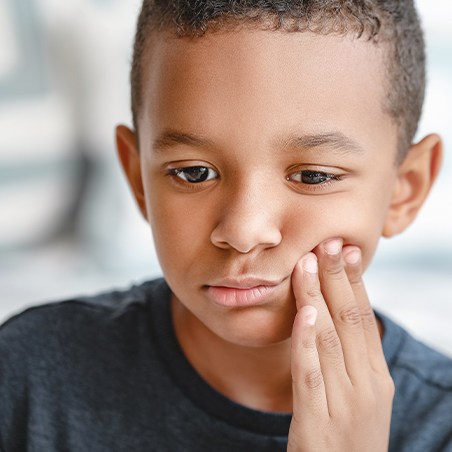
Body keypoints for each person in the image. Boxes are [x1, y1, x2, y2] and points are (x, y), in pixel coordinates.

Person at [1, 0, 451, 451]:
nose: (243, 230)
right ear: (139, 179)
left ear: (405, 190)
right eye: (193, 173)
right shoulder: (28, 376)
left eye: (313, 176)